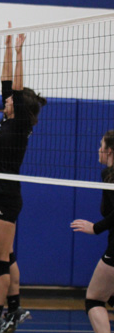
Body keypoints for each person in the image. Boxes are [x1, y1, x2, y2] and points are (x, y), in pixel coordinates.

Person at [0, 25, 46, 333]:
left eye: (12, 100)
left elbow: (16, 90)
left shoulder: (19, 124)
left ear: (19, 108)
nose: (6, 99)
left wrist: (21, 52)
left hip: (4, 197)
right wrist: (7, 46)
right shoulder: (6, 118)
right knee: (6, 256)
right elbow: (7, 82)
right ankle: (15, 308)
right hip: (0, 194)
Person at [71, 130, 114, 333]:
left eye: (101, 145)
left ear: (110, 151)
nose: (99, 149)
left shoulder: (110, 177)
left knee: (94, 299)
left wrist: (95, 228)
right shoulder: (107, 175)